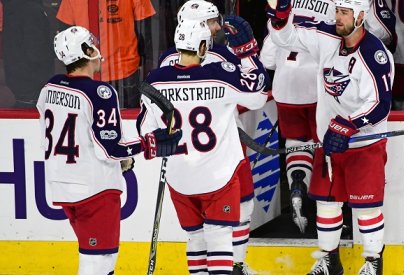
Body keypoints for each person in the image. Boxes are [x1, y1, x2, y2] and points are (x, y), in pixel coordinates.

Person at [36, 26, 182, 275]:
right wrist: (150, 142)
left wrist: (120, 160)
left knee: (94, 256)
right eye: (91, 44)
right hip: (94, 189)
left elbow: (65, 133)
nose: (97, 49)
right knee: (99, 260)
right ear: (86, 51)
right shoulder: (99, 93)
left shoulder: (50, 88)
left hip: (61, 184)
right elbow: (111, 150)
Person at [266, 0, 394, 274]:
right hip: (331, 145)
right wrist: (280, 19)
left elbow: (380, 104)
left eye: (344, 13)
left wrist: (348, 126)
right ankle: (329, 260)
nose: (338, 17)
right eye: (337, 11)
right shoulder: (326, 37)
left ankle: (372, 263)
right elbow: (287, 38)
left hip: (364, 145)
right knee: (326, 203)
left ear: (360, 16)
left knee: (366, 208)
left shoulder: (374, 54)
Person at [137, 17, 269, 275]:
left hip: (180, 179)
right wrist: (248, 52)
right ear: (201, 47)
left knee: (196, 240)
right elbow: (257, 96)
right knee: (219, 238)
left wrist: (156, 138)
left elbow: (145, 130)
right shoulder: (219, 76)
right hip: (217, 178)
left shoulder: (155, 80)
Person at [56, 0, 156, 108]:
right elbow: (145, 34)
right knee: (126, 122)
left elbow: (65, 40)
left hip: (113, 72)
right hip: (122, 73)